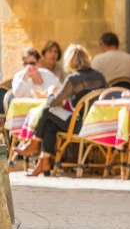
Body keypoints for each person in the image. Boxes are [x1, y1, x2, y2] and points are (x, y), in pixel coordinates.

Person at [14, 44, 107, 176]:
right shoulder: (99, 75)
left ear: (70, 60)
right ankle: (44, 161)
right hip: (98, 123)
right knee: (50, 124)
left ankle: (35, 142)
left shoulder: (74, 78)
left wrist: (51, 93)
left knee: (46, 111)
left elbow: (53, 102)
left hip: (81, 126)